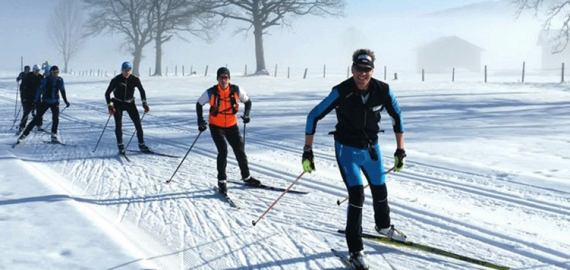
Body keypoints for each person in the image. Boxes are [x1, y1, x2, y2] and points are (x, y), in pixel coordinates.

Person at [302, 49, 407, 270]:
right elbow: (313, 115)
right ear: (352, 69)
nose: (362, 74)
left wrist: (400, 150)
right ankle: (355, 250)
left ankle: (383, 227)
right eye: (358, 70)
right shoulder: (341, 91)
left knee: (380, 190)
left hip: (371, 149)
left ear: (372, 71)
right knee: (357, 195)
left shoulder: (383, 90)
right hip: (346, 149)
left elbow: (397, 117)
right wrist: (307, 151)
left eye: (366, 70)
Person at [196, 67, 261, 195]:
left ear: (229, 78)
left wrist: (246, 115)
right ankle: (222, 181)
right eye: (221, 78)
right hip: (216, 126)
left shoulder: (236, 90)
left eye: (226, 78)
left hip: (232, 125)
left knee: (239, 150)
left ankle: (246, 177)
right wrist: (200, 121)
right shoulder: (211, 92)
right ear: (218, 79)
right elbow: (199, 104)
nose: (224, 80)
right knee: (223, 150)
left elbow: (248, 102)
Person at [104, 61, 151, 154]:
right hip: (118, 103)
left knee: (138, 124)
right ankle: (120, 145)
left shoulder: (134, 79)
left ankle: (142, 144)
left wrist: (144, 103)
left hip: (130, 103)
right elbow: (107, 93)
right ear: (122, 70)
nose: (127, 73)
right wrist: (110, 106)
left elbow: (142, 91)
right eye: (125, 70)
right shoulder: (116, 79)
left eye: (129, 70)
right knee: (118, 125)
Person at [17, 66, 70, 144]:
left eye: (57, 72)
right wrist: (36, 101)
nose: (56, 74)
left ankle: (54, 135)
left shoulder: (60, 80)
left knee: (56, 119)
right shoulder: (46, 80)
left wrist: (66, 101)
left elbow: (62, 91)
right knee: (36, 118)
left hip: (55, 102)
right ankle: (24, 135)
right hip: (46, 102)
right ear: (51, 73)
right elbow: (39, 91)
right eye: (54, 72)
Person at [19, 65, 45, 133]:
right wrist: (23, 97)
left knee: (39, 111)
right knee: (27, 112)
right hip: (29, 97)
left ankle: (39, 125)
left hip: (37, 97)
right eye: (36, 71)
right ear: (33, 70)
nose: (37, 72)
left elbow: (44, 87)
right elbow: (23, 87)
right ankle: (22, 126)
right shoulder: (28, 76)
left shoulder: (41, 77)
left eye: (38, 71)